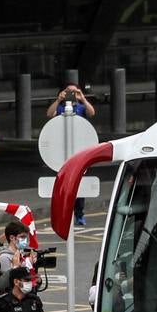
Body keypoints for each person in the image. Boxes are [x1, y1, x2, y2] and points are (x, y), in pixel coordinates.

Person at [46, 82, 96, 227]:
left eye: (74, 92)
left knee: (79, 185)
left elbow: (92, 113)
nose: (71, 94)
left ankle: (79, 214)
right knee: (62, 184)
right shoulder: (60, 107)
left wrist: (83, 99)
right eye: (68, 91)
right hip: (61, 151)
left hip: (79, 149)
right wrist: (58, 100)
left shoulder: (81, 107)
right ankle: (64, 214)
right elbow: (50, 114)